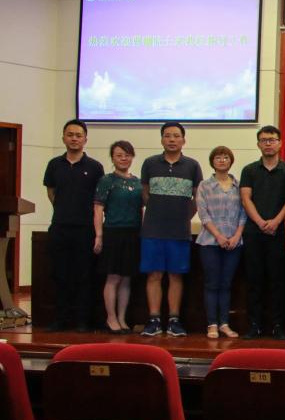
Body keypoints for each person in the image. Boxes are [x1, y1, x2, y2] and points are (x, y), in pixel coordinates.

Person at [139, 122, 203, 337]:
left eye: (176, 136)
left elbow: (197, 197)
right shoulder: (150, 163)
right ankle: (154, 320)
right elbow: (145, 193)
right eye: (167, 136)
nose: (172, 139)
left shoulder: (192, 166)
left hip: (179, 230)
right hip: (152, 229)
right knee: (154, 275)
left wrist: (183, 217)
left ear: (184, 140)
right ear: (162, 139)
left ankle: (174, 320)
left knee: (176, 275)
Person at [43, 119, 104, 332]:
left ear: (85, 139)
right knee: (60, 274)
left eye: (78, 135)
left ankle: (82, 321)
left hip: (85, 228)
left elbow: (99, 199)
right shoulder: (54, 164)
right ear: (63, 138)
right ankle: (61, 319)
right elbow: (51, 192)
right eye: (70, 135)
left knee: (84, 276)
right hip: (60, 227)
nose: (74, 138)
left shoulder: (95, 167)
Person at [239, 125, 285, 340]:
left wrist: (275, 222)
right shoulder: (249, 170)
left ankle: (278, 326)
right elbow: (246, 199)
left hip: (279, 234)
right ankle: (254, 325)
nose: (268, 143)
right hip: (254, 233)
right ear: (258, 144)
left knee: (279, 282)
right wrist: (261, 222)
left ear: (280, 143)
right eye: (264, 140)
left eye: (272, 140)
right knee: (254, 281)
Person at [196, 146, 247, 340]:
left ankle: (224, 323)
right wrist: (218, 235)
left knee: (226, 284)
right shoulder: (204, 186)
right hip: (210, 242)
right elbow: (203, 214)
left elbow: (244, 213)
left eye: (226, 157)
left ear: (231, 161)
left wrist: (236, 236)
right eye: (218, 157)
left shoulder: (238, 186)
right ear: (212, 161)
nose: (222, 160)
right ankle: (212, 324)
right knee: (212, 283)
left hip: (234, 243)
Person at [92, 141, 142, 334]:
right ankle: (111, 317)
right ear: (112, 158)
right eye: (119, 155)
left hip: (133, 232)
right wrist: (99, 235)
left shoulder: (137, 182)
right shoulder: (107, 180)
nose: (123, 158)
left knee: (127, 278)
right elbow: (98, 208)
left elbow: (141, 209)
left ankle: (122, 317)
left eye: (127, 155)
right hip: (113, 232)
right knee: (113, 277)